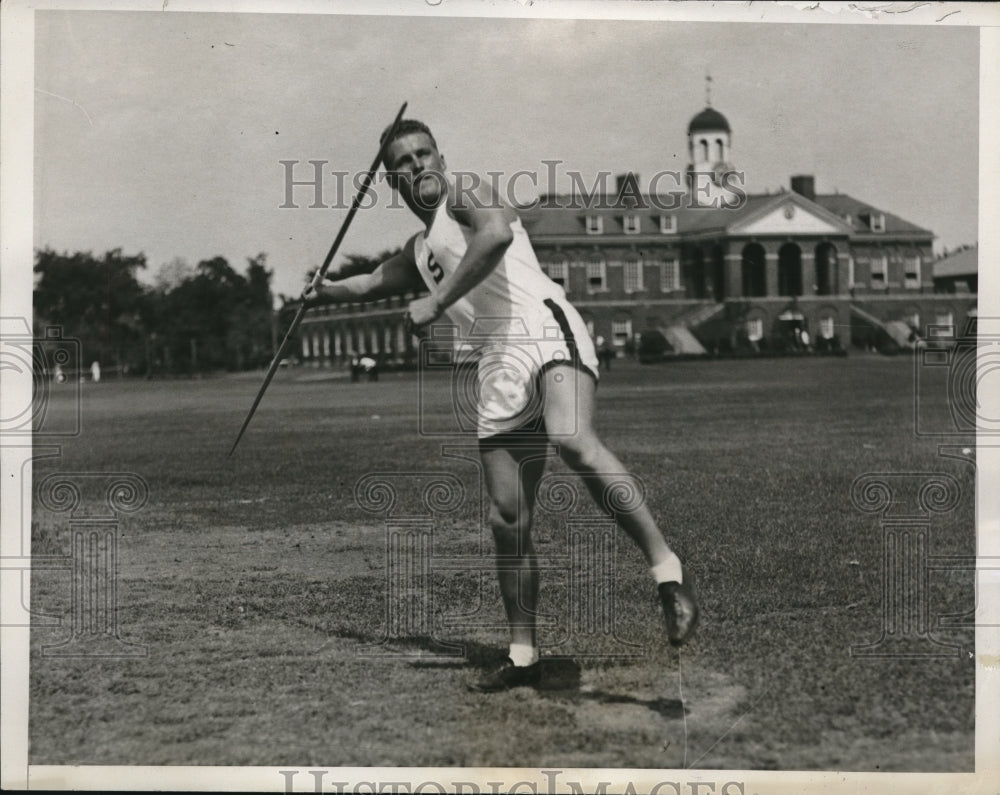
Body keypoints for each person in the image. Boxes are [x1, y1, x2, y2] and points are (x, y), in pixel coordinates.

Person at [303, 119, 698, 691]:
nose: (418, 167)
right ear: (393, 182)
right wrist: (323, 291)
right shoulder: (420, 250)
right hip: (495, 360)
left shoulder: (468, 192)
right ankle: (523, 655)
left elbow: (494, 237)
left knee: (571, 439)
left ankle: (668, 574)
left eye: (424, 154)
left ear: (441, 156)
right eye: (404, 163)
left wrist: (435, 303)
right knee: (506, 518)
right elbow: (367, 283)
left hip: (542, 327)